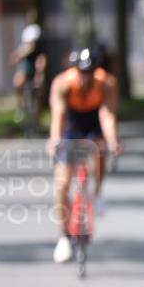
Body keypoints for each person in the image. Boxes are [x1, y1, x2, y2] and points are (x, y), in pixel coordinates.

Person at [47, 48, 121, 264]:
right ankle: (63, 237)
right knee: (61, 184)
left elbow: (107, 114)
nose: (85, 77)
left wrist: (113, 140)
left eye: (89, 72)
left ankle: (96, 193)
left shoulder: (107, 84)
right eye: (81, 71)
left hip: (94, 123)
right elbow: (58, 115)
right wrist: (54, 140)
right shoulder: (62, 84)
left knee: (100, 152)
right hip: (71, 124)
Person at [10, 24, 47, 128]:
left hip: (36, 71)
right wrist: (21, 53)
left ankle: (37, 119)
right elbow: (13, 59)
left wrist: (39, 77)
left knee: (39, 91)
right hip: (26, 70)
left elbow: (41, 64)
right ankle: (20, 107)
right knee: (18, 81)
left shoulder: (40, 50)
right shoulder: (24, 48)